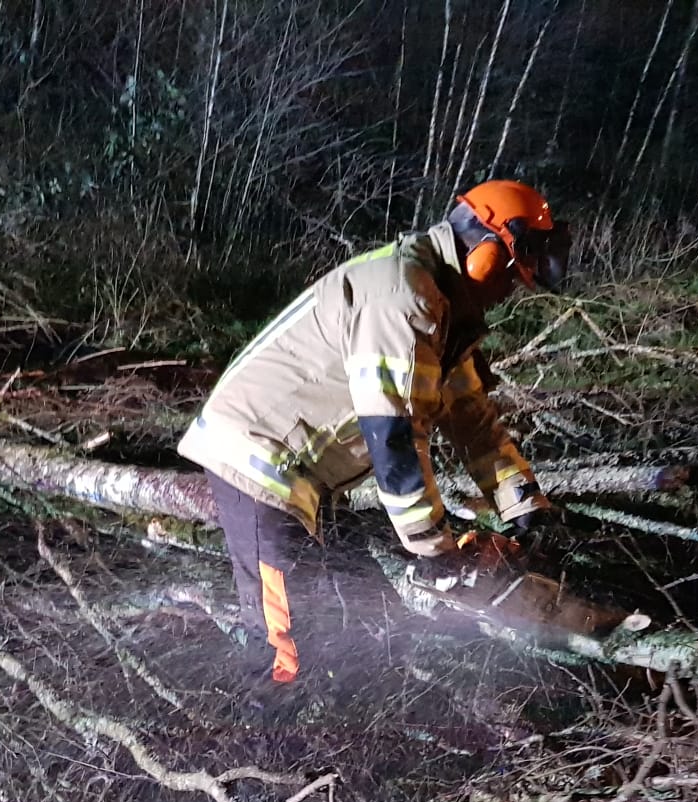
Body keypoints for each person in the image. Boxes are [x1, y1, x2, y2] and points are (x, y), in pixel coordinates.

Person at [179, 180, 571, 684]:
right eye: (513, 277)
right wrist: (436, 550)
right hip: (258, 456)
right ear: (487, 256)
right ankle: (256, 745)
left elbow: (476, 424)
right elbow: (395, 438)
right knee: (285, 643)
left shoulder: (441, 306)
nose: (509, 292)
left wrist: (526, 508)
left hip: (308, 474)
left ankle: (329, 728)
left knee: (352, 615)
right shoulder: (402, 301)